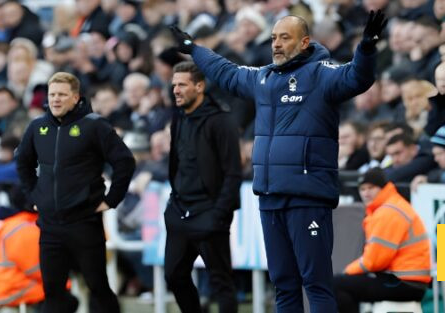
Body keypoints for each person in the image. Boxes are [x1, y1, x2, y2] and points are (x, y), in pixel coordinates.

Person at [171, 11, 386, 312]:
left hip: (307, 196)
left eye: (285, 37)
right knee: (283, 285)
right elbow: (226, 72)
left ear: (305, 42)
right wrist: (194, 49)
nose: (277, 44)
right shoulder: (264, 78)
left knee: (316, 283)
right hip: (271, 198)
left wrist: (366, 48)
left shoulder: (322, 74)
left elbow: (357, 78)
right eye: (273, 38)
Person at [16, 72, 135, 313]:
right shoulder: (37, 126)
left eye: (61, 95)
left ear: (75, 98)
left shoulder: (95, 125)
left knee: (97, 286)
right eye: (52, 95)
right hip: (49, 225)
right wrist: (34, 196)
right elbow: (22, 162)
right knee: (52, 291)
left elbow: (125, 162)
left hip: (84, 223)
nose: (56, 100)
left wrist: (111, 200)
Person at [164, 61, 242, 313]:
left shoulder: (221, 121)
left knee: (222, 283)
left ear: (199, 86)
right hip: (179, 213)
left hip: (209, 214)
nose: (175, 90)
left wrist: (219, 214)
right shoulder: (178, 118)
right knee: (174, 276)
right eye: (174, 84)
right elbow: (176, 163)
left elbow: (233, 173)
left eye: (182, 85)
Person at [333, 168, 430, 313]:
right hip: (406, 280)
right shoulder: (391, 205)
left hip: (405, 283)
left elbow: (374, 261)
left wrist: (347, 272)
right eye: (362, 189)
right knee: (343, 283)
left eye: (371, 188)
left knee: (335, 285)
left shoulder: (388, 211)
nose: (366, 193)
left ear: (383, 187)